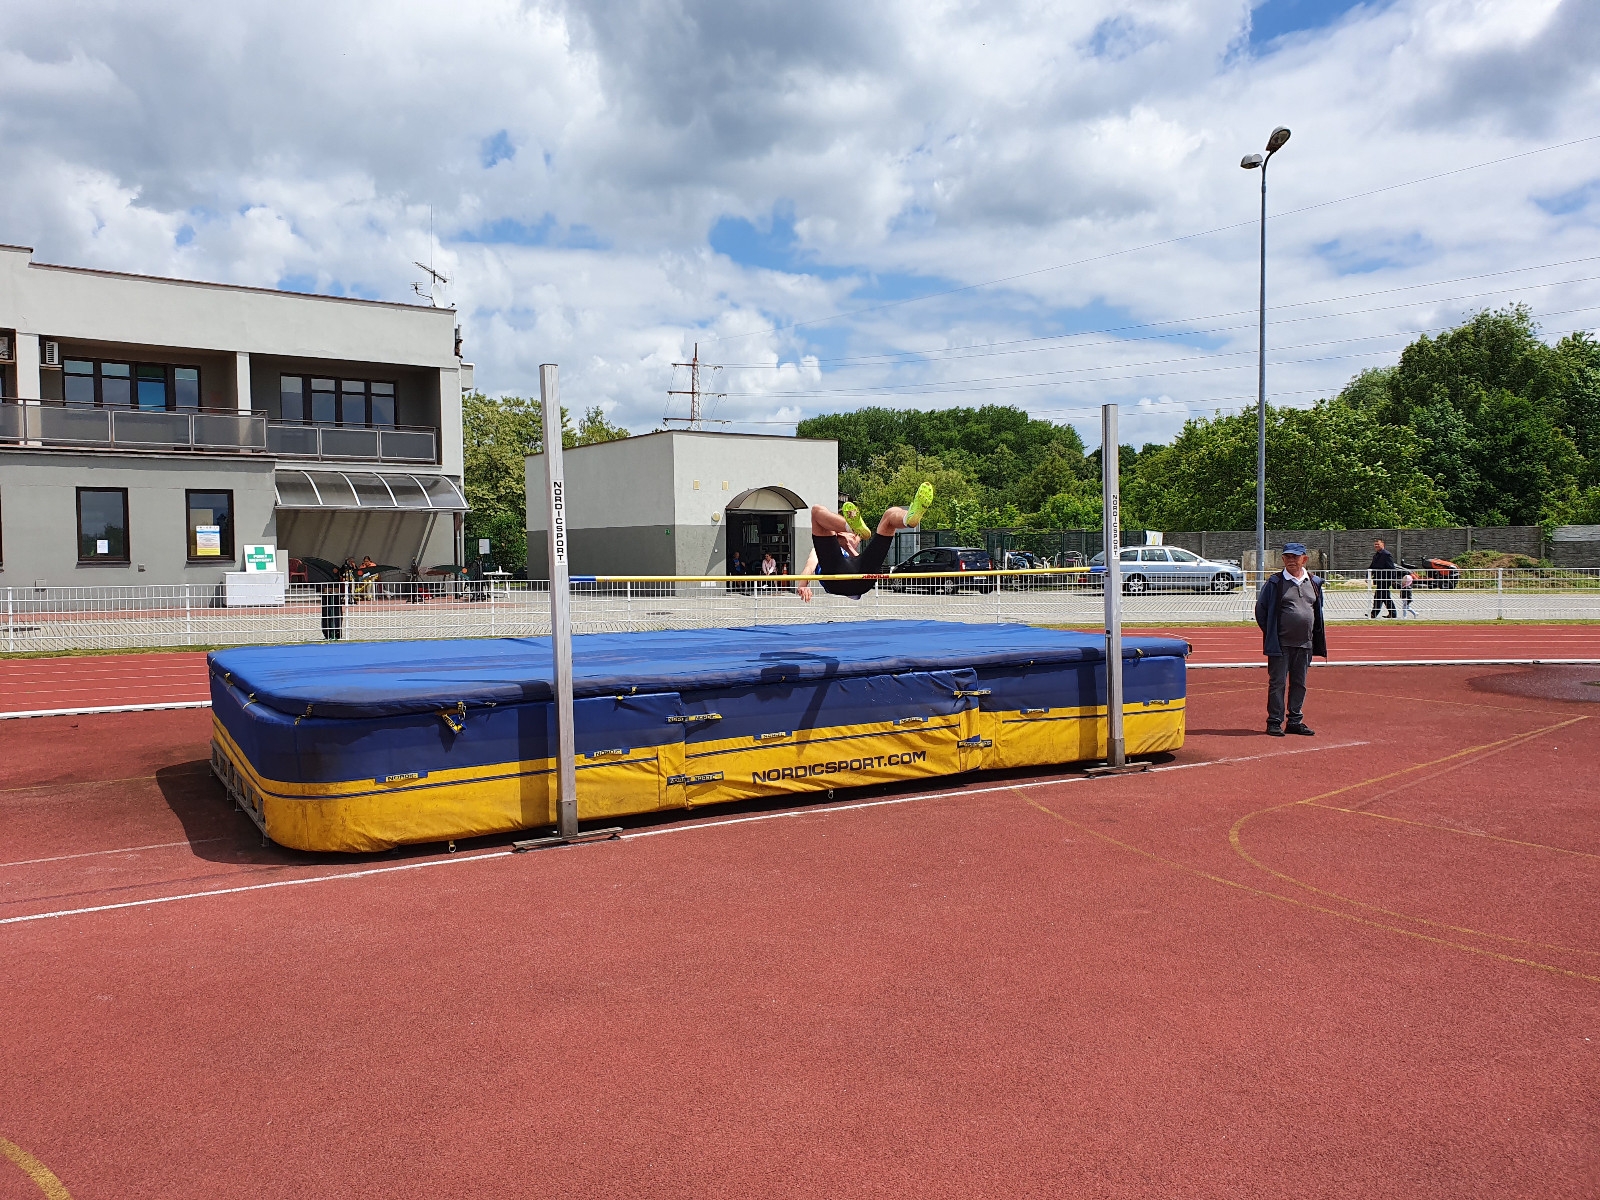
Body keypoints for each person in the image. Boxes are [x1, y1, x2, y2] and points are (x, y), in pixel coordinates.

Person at [797, 483, 934, 601]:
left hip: (862, 578)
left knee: (890, 514)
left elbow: (860, 565)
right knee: (817, 510)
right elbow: (809, 567)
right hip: (835, 579)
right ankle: (850, 526)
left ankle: (908, 519)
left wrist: (848, 547)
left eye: (856, 537)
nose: (855, 539)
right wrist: (803, 585)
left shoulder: (852, 552)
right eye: (854, 535)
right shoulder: (821, 550)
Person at [1254, 540, 1326, 737]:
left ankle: (1295, 721)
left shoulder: (1314, 582)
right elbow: (1261, 610)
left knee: (1299, 683)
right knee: (1277, 683)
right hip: (1281, 644)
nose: (1291, 560)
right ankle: (1274, 721)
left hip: (1305, 643)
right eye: (1287, 557)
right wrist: (1272, 633)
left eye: (1295, 557)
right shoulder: (1275, 583)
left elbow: (1317, 610)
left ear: (1304, 559)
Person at [1369, 538, 1398, 618]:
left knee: (1379, 596)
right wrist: (1368, 575)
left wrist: (1393, 580)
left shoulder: (1386, 554)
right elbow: (1372, 567)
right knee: (1384, 597)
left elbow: (1391, 568)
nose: (1376, 546)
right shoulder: (1376, 555)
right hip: (1379, 579)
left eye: (1378, 544)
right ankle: (1392, 614)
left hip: (1385, 579)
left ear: (1383, 544)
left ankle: (1374, 614)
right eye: (1375, 544)